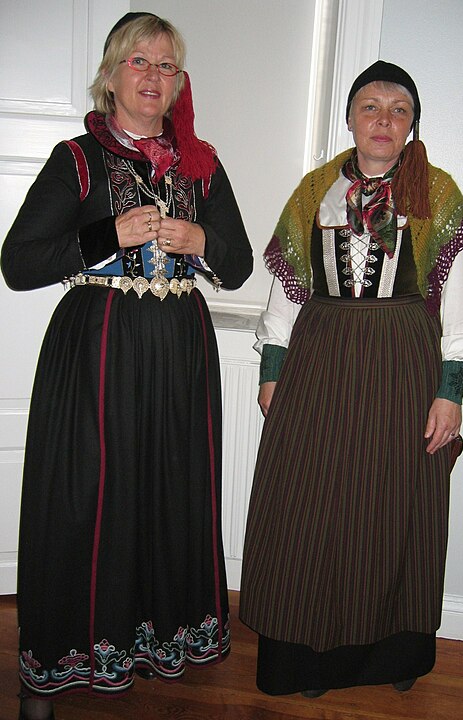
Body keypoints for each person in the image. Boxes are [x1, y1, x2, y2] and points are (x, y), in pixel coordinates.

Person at [1, 12, 252, 720]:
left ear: (179, 85)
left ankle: (150, 644)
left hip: (178, 352)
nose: (152, 76)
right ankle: (51, 670)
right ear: (111, 75)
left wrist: (200, 235)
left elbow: (234, 263)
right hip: (97, 352)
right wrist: (103, 233)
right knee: (83, 501)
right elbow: (17, 263)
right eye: (139, 62)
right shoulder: (75, 157)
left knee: (164, 498)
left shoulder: (201, 164)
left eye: (166, 66)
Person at [239, 61, 463, 698]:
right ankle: (308, 660)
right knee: (309, 506)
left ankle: (390, 658)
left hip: (403, 366)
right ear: (349, 118)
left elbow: (462, 304)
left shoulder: (437, 191)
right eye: (370, 106)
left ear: (412, 124)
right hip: (319, 361)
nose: (384, 120)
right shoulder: (314, 190)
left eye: (399, 109)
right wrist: (273, 373)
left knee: (392, 506)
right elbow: (285, 295)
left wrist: (450, 390)